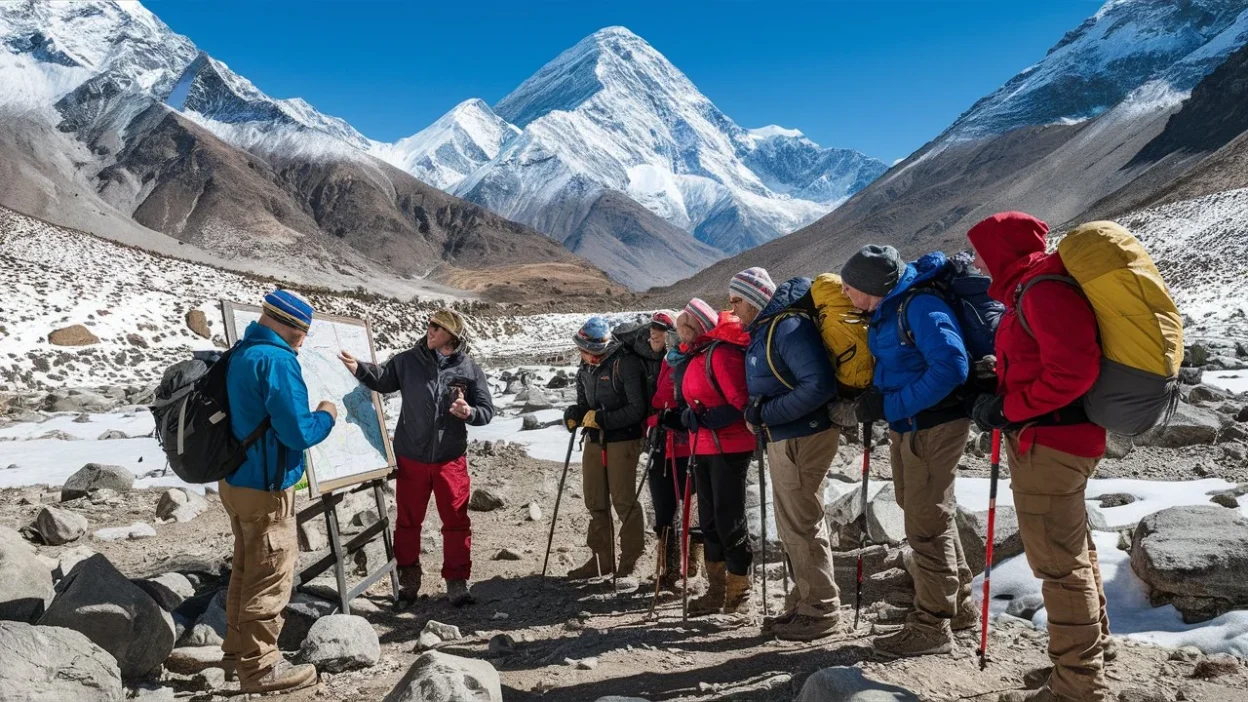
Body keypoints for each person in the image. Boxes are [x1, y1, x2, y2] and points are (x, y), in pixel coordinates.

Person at [966, 212, 1111, 702]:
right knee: (1074, 554)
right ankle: (1089, 659)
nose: (976, 262)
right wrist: (999, 374)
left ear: (1001, 251)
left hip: (1051, 442)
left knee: (1059, 565)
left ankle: (1077, 686)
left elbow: (1072, 371)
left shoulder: (1043, 290)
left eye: (981, 252)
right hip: (1054, 439)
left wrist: (1009, 407)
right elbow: (1043, 359)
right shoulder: (1029, 290)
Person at [840, 245, 976, 658]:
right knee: (924, 510)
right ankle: (959, 605)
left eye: (850, 288)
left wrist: (892, 405)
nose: (845, 294)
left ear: (871, 287)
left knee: (925, 519)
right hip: (912, 426)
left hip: (932, 425)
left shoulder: (918, 306)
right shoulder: (890, 309)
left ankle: (932, 625)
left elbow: (953, 365)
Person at [339, 308, 494, 607]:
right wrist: (359, 368)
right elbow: (383, 379)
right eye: (430, 324)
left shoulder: (469, 368)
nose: (430, 329)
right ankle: (408, 578)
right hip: (412, 457)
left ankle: (457, 581)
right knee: (408, 522)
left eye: (437, 327)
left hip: (451, 459)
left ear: (452, 336)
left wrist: (470, 413)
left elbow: (486, 410)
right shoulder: (407, 360)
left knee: (456, 521)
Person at [222, 290, 336, 693]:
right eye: (302, 332)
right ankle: (260, 669)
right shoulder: (277, 361)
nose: (302, 341)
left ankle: (236, 654)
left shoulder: (243, 351)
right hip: (268, 487)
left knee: (246, 567)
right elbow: (297, 431)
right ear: (289, 327)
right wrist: (327, 415)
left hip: (236, 481)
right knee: (270, 574)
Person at [732, 267, 843, 640]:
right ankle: (804, 602)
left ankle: (822, 610)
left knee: (802, 524)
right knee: (792, 524)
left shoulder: (789, 328)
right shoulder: (771, 329)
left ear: (757, 298)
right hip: (788, 434)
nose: (732, 309)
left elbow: (819, 384)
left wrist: (765, 414)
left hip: (803, 435)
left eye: (737, 300)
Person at [678, 298, 756, 619]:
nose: (679, 334)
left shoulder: (720, 355)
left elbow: (741, 402)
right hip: (705, 447)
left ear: (696, 326)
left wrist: (709, 418)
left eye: (683, 327)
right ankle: (716, 591)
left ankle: (739, 593)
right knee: (709, 521)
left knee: (728, 518)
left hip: (729, 447)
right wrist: (690, 417)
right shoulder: (698, 356)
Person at [563, 316, 650, 578]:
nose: (582, 354)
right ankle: (601, 559)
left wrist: (602, 419)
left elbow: (638, 409)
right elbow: (583, 401)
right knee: (595, 499)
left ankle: (630, 560)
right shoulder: (586, 367)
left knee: (624, 500)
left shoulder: (626, 364)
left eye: (585, 350)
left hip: (623, 439)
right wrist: (575, 413)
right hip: (594, 438)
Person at [645, 310, 701, 592]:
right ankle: (669, 570)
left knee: (688, 508)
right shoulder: (664, 362)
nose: (654, 334)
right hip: (662, 441)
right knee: (665, 507)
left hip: (683, 444)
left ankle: (688, 570)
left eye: (661, 329)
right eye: (653, 328)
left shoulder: (684, 360)